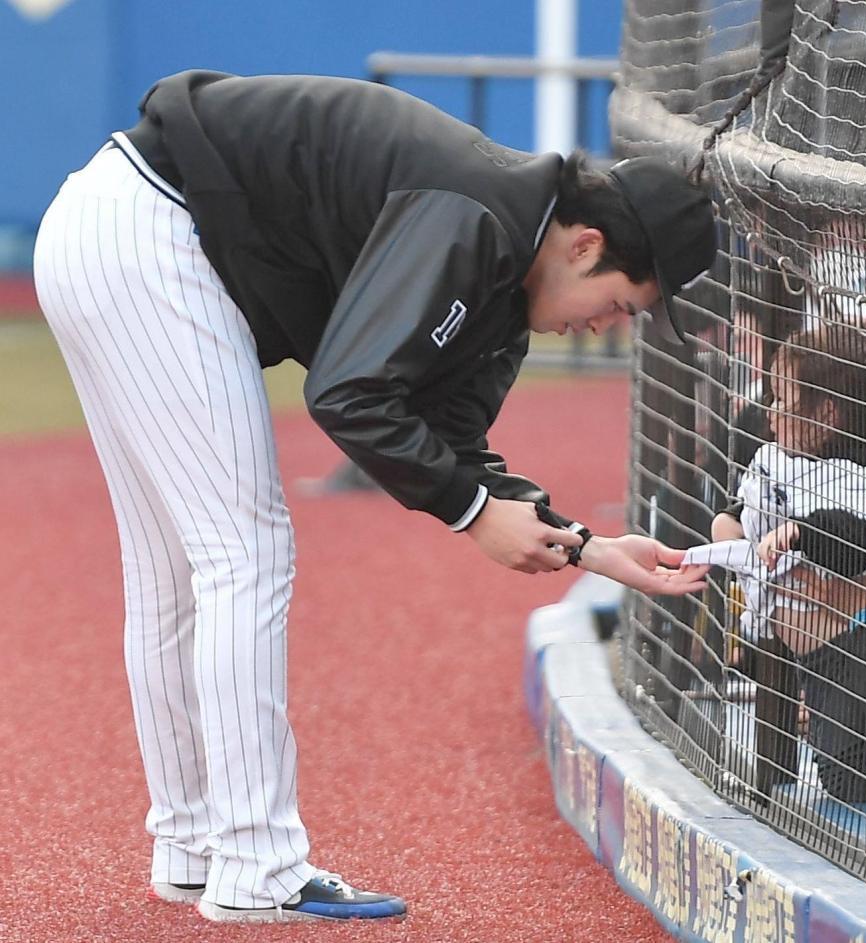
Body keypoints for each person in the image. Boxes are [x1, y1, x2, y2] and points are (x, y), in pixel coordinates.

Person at [31, 70, 715, 924]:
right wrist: (471, 512)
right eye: (620, 304)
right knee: (243, 555)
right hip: (152, 230)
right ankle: (257, 864)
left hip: (116, 226)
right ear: (584, 245)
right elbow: (350, 393)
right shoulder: (480, 214)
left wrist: (586, 545)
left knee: (175, 571)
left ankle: (196, 845)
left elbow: (452, 443)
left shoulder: (509, 271)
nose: (608, 326)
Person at [707, 324, 866, 801]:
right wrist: (731, 524)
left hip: (862, 645)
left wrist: (802, 533)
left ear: (825, 415)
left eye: (782, 400)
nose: (771, 415)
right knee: (844, 780)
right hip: (816, 666)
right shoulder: (780, 462)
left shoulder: (862, 479)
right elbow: (755, 511)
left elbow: (857, 538)